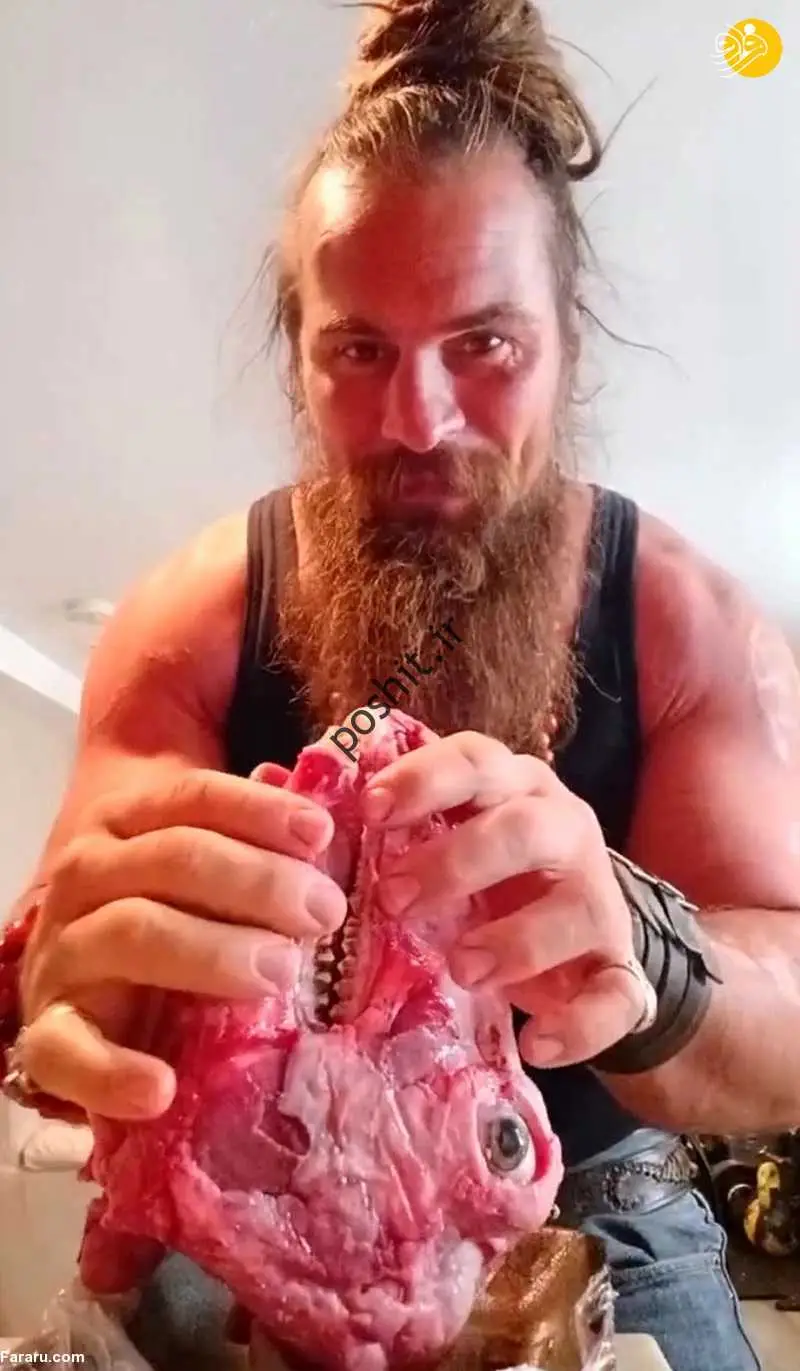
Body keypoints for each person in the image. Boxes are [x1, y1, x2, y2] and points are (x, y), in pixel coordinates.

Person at [2, 2, 799, 1368]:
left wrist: (647, 947)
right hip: (255, 1187)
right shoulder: (189, 624)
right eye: (359, 349)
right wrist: (66, 999)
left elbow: (785, 1024)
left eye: (485, 344)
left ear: (567, 340)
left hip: (597, 1198)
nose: (418, 421)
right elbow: (67, 963)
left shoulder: (684, 621)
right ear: (299, 355)